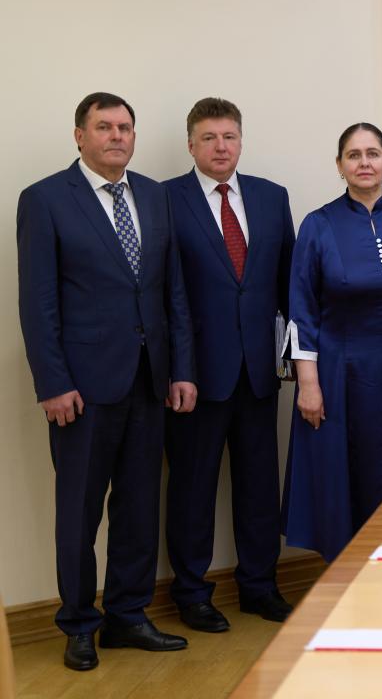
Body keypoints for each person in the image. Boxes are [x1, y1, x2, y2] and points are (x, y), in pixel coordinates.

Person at [17, 93, 197, 671]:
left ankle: (128, 616)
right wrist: (52, 382)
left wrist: (181, 370)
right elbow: (38, 302)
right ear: (80, 136)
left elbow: (172, 292)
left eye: (125, 127)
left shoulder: (155, 195)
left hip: (150, 381)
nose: (117, 136)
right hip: (81, 389)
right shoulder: (45, 199)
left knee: (140, 508)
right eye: (104, 127)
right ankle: (78, 624)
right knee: (79, 512)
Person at [164, 98, 296, 631]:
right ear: (191, 144)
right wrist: (177, 368)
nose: (221, 147)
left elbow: (287, 284)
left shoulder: (271, 196)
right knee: (192, 489)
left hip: (258, 371)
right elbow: (163, 291)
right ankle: (192, 593)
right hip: (194, 375)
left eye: (229, 137)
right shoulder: (164, 199)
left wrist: (294, 360)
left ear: (241, 141)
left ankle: (259, 586)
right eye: (209, 138)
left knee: (259, 486)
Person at [282, 122, 382, 562]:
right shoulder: (318, 225)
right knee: (349, 476)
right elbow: (302, 311)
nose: (364, 163)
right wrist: (308, 384)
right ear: (340, 165)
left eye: (373, 154)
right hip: (340, 374)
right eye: (354, 155)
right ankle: (350, 576)